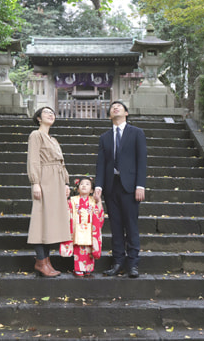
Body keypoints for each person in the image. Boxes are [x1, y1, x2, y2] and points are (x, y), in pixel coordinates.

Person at [94, 101, 147, 278]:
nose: (115, 108)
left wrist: (140, 185)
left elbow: (142, 161)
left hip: (130, 186)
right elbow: (101, 164)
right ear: (109, 115)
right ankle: (117, 262)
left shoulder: (137, 133)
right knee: (115, 227)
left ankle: (132, 264)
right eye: (112, 107)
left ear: (126, 112)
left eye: (119, 106)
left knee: (131, 225)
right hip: (111, 186)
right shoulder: (105, 137)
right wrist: (99, 186)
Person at [27, 106, 71, 277]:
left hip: (57, 181)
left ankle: (46, 261)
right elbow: (33, 160)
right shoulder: (36, 135)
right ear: (38, 118)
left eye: (52, 113)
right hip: (44, 179)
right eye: (46, 113)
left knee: (51, 223)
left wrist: (66, 182)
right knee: (41, 220)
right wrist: (35, 182)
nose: (51, 115)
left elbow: (62, 163)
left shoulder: (53, 139)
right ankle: (40, 261)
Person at [60, 176, 104, 277]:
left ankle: (88, 268)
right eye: (82, 184)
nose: (84, 186)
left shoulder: (93, 201)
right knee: (78, 249)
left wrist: (99, 200)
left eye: (87, 184)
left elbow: (99, 214)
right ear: (78, 188)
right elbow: (66, 212)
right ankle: (78, 268)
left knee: (89, 249)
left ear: (92, 190)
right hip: (76, 230)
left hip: (90, 231)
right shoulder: (72, 200)